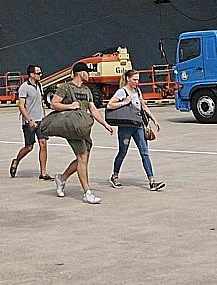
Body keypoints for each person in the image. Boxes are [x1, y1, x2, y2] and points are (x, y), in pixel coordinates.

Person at [49, 63, 113, 204]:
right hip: (72, 127)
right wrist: (70, 106)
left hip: (83, 127)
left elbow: (93, 109)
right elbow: (54, 104)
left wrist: (105, 124)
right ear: (80, 73)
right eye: (87, 72)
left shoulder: (86, 90)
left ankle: (62, 178)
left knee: (82, 160)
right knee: (82, 157)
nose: (89, 75)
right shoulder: (66, 87)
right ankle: (87, 193)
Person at [106, 70, 166, 191]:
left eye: (138, 79)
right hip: (126, 126)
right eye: (134, 79)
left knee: (145, 152)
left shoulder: (138, 91)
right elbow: (109, 105)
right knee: (123, 152)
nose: (136, 82)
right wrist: (124, 102)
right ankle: (115, 175)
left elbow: (143, 106)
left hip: (138, 125)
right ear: (128, 79)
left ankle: (152, 181)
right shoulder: (122, 92)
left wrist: (154, 120)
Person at [10, 65, 51, 180]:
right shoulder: (24, 87)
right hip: (29, 122)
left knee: (43, 143)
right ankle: (16, 160)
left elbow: (41, 102)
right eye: (38, 73)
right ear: (32, 74)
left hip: (41, 120)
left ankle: (43, 173)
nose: (40, 75)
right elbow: (21, 106)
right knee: (29, 147)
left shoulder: (40, 85)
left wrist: (44, 116)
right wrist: (29, 120)